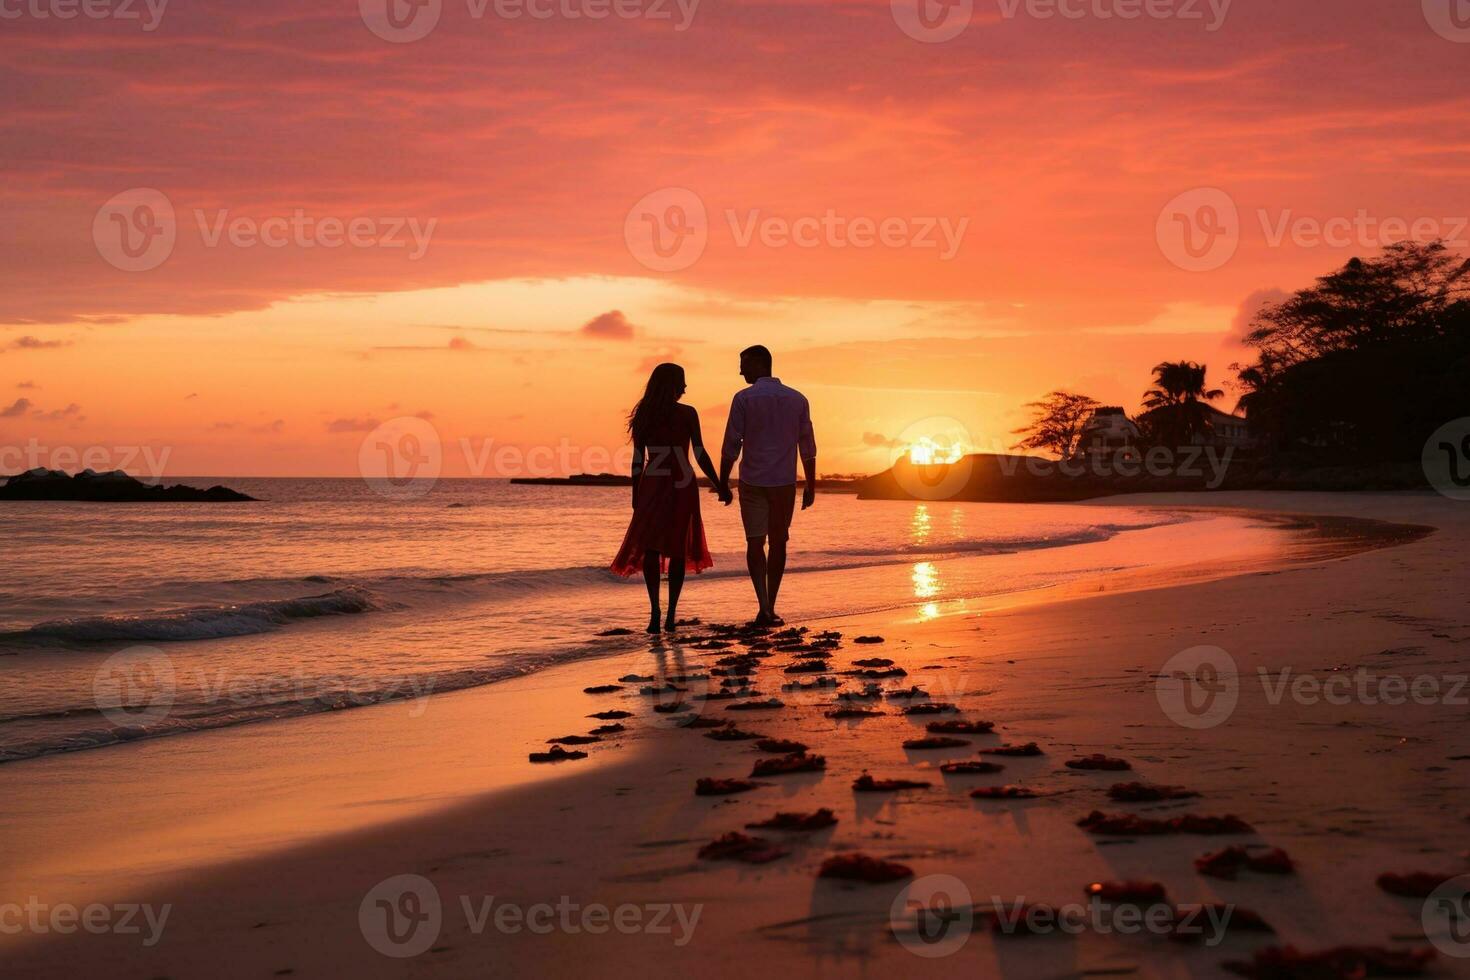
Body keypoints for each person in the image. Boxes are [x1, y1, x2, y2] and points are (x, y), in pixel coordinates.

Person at [611, 363, 731, 633]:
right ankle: (671, 615)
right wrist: (719, 484)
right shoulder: (687, 413)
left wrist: (635, 492)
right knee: (677, 548)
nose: (686, 388)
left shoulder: (645, 414)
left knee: (652, 548)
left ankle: (655, 611)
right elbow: (699, 453)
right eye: (682, 382)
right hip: (682, 483)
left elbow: (638, 459)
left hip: (653, 482)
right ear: (672, 384)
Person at [718, 345, 817, 626]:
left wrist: (724, 481)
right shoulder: (798, 399)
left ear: (761, 364)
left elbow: (731, 444)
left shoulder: (743, 399)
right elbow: (807, 446)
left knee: (755, 541)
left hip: (752, 480)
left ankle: (763, 605)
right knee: (778, 542)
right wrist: (810, 484)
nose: (740, 371)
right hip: (784, 481)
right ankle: (770, 606)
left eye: (744, 365)